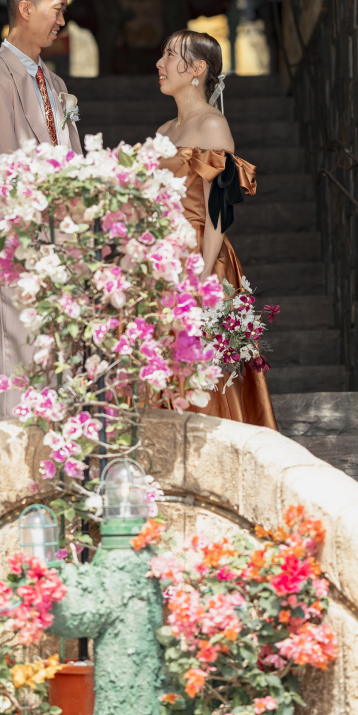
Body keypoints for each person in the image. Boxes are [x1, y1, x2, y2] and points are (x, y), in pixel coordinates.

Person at [0, 0, 83, 417]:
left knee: (61, 387)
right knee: (23, 395)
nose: (63, 19)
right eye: (57, 8)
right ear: (25, 9)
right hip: (22, 258)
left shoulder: (51, 82)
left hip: (63, 257)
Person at [155, 29, 277, 429]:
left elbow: (217, 215)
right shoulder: (163, 132)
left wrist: (203, 279)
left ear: (197, 69)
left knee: (203, 370)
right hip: (162, 262)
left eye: (171, 56)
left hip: (200, 258)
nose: (159, 64)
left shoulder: (211, 126)